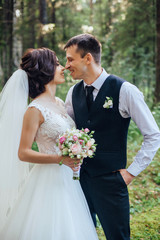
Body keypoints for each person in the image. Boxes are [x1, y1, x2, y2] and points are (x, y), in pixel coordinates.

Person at [64, 34, 160, 240]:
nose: (66, 65)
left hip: (111, 181)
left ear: (87, 58)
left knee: (118, 237)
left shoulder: (125, 90)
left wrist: (131, 173)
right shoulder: (73, 92)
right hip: (79, 181)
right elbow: (67, 132)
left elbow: (153, 135)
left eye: (70, 59)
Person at [0, 48, 99, 240]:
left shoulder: (60, 103)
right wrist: (60, 158)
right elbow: (23, 152)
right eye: (57, 63)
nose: (63, 67)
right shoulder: (34, 110)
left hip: (68, 179)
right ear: (45, 70)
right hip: (47, 180)